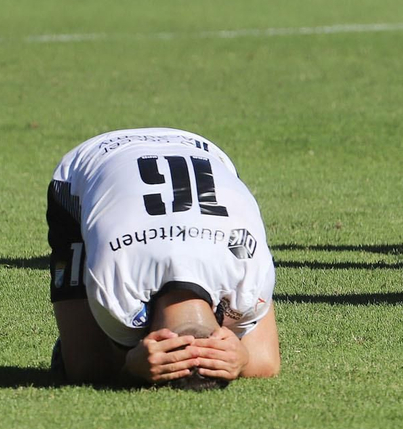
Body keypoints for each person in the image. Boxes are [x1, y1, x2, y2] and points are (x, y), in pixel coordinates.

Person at [46, 129, 281, 387]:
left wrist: (244, 358)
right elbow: (265, 363)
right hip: (89, 162)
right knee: (89, 368)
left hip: (201, 148)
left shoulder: (249, 279)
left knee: (90, 367)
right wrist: (130, 365)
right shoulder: (116, 294)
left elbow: (265, 362)